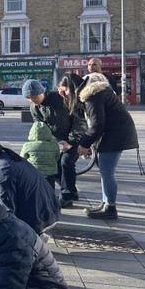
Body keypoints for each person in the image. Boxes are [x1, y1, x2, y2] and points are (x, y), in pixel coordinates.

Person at [59, 71, 139, 220]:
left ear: (71, 87)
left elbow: (97, 124)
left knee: (107, 172)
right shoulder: (93, 93)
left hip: (116, 134)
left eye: (65, 91)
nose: (65, 95)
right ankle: (106, 203)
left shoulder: (91, 96)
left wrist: (84, 144)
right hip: (115, 132)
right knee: (104, 171)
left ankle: (110, 208)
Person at [0, 132, 60, 234]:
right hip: (49, 209)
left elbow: (5, 210)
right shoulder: (8, 156)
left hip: (38, 218)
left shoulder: (1, 172)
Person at [24, 78, 86, 208]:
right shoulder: (34, 107)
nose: (32, 100)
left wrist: (70, 141)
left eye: (34, 97)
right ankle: (72, 191)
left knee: (66, 162)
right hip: (56, 141)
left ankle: (67, 196)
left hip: (74, 137)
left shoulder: (61, 99)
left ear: (42, 92)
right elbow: (39, 127)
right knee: (55, 164)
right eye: (28, 98)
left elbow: (78, 121)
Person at [20, 122, 60, 191]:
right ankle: (50, 200)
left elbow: (22, 158)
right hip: (50, 173)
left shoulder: (27, 145)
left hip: (33, 172)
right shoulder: (54, 145)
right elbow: (57, 157)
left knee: (34, 190)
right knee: (50, 190)